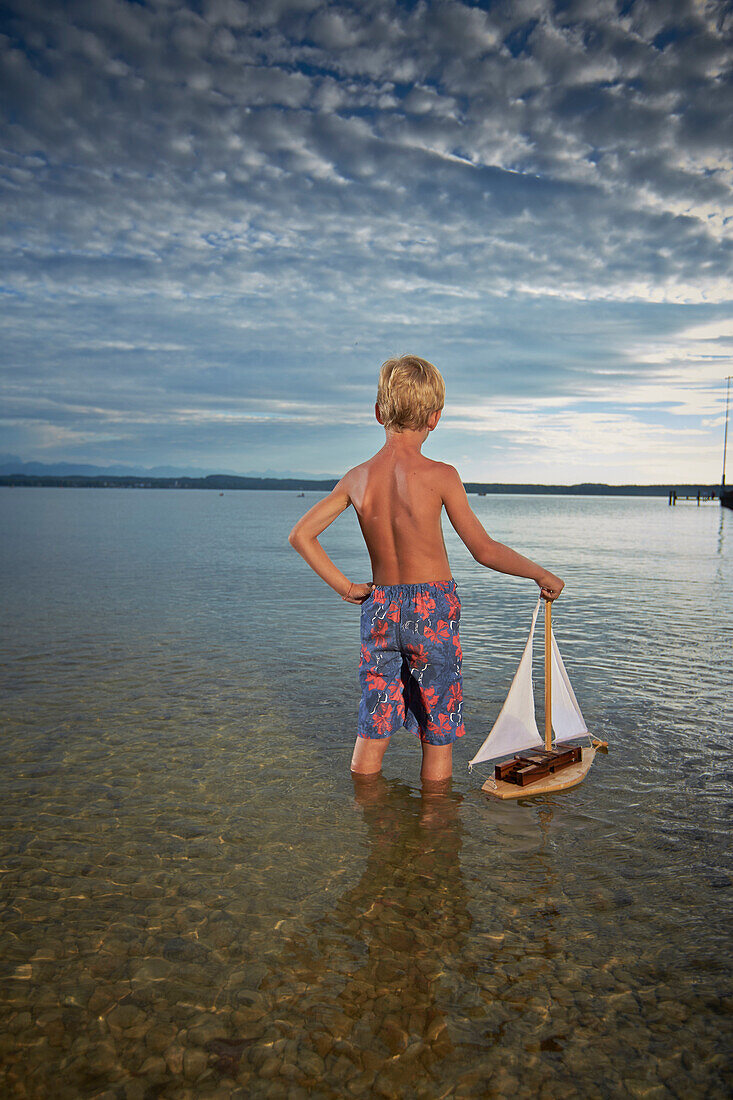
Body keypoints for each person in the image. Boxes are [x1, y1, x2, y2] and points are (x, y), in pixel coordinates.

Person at [288, 355, 564, 784]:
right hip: (431, 609)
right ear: (435, 418)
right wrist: (540, 574)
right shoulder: (441, 476)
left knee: (374, 719)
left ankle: (371, 826)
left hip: (379, 605)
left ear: (379, 412)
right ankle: (435, 828)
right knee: (438, 727)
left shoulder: (357, 478)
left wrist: (345, 587)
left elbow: (301, 535)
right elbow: (484, 549)